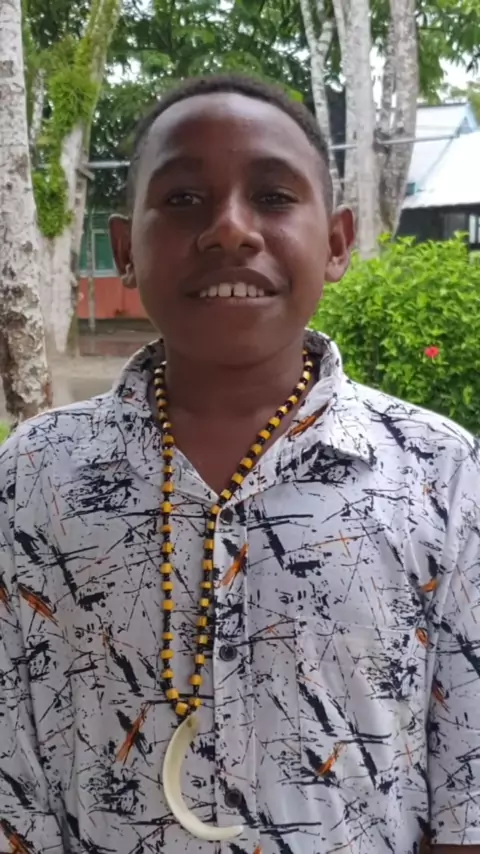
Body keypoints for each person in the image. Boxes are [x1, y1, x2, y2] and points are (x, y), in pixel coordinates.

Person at [0, 73, 479, 854]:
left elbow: (466, 786)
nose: (229, 229)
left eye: (274, 197)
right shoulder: (33, 480)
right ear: (124, 249)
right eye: (184, 198)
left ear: (338, 242)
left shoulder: (441, 475)